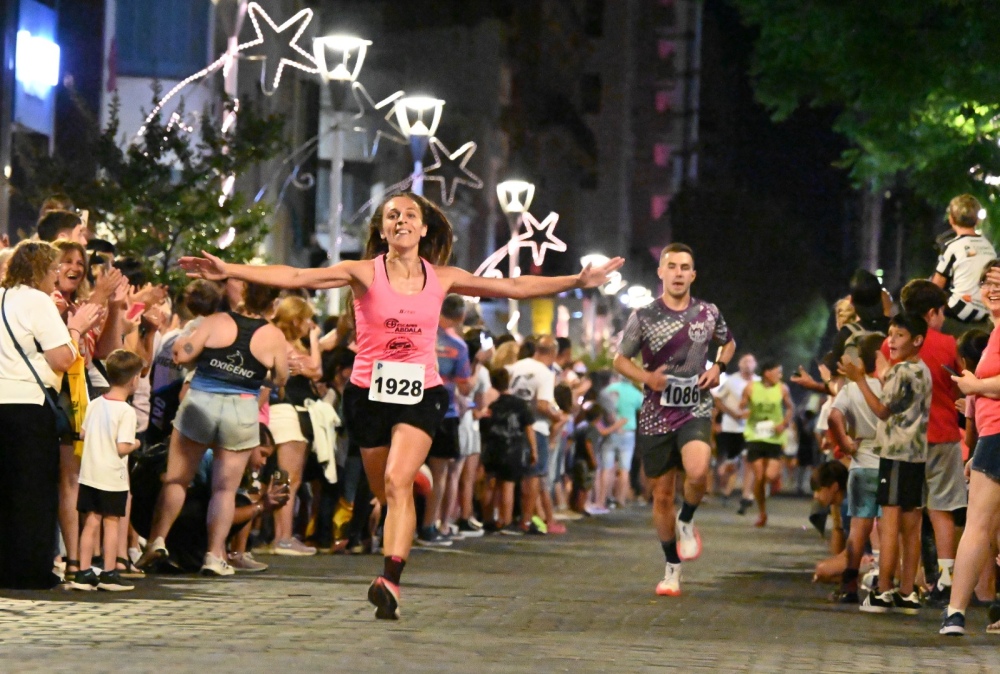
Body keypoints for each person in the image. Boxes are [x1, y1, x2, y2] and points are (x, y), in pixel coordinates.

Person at [178, 191, 623, 619]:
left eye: (409, 215)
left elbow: (512, 286)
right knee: (383, 492)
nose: (401, 221)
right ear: (384, 230)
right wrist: (228, 268)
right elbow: (296, 277)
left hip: (420, 392)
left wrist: (576, 281)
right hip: (367, 394)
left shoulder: (442, 276)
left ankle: (390, 579)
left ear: (423, 228)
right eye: (392, 216)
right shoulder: (363, 272)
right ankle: (413, 486)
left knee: (396, 481)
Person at [135, 283, 288, 576]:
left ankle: (157, 541)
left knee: (177, 479)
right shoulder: (273, 335)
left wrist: (186, 348)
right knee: (225, 489)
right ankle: (214, 555)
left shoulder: (216, 321)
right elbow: (280, 377)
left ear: (242, 295)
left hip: (201, 400)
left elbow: (183, 353)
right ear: (273, 304)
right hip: (241, 406)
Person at [612, 243, 735, 597]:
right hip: (655, 411)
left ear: (693, 275)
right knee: (662, 495)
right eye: (672, 266)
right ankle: (671, 568)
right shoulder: (644, 315)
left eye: (685, 267)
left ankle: (687, 519)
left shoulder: (708, 313)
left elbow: (728, 344)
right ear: (661, 273)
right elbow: (620, 359)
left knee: (698, 471)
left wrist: (718, 366)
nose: (679, 273)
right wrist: (646, 378)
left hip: (695, 404)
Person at [0, 241, 101, 589]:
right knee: (32, 492)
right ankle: (29, 570)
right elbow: (62, 358)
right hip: (29, 405)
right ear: (42, 270)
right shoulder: (37, 301)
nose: (58, 275)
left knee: (5, 490)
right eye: (54, 268)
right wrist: (77, 328)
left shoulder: (2, 297)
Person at [841, 312, 932, 615]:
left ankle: (883, 591)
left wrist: (858, 380)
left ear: (917, 340)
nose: (891, 341)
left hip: (893, 454)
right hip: (917, 455)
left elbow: (881, 409)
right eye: (890, 334)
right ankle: (908, 592)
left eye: (899, 335)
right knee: (912, 525)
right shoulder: (922, 370)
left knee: (889, 525)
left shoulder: (900, 372)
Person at [896, 280, 965, 607]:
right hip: (944, 435)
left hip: (906, 440)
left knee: (909, 508)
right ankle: (947, 577)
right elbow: (957, 386)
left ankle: (908, 581)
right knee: (943, 508)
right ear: (932, 312)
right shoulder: (948, 343)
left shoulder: (893, 343)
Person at [941, 259, 1000, 635]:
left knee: (978, 526)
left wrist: (976, 387)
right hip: (991, 439)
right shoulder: (994, 333)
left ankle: (956, 611)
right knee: (983, 528)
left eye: (999, 282)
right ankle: (957, 613)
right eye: (986, 282)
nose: (992, 288)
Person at [69, 350, 144, 592]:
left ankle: (83, 571)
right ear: (133, 380)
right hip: (113, 478)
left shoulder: (95, 403)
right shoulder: (126, 411)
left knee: (91, 522)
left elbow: (82, 433)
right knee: (111, 523)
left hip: (90, 474)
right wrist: (137, 444)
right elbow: (123, 447)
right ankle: (109, 572)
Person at [827, 333, 886, 603]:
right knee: (889, 526)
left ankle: (849, 584)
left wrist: (846, 444)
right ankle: (885, 583)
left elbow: (834, 415)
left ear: (861, 361)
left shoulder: (851, 389)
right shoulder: (889, 387)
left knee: (859, 527)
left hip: (862, 463)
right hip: (890, 462)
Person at [268, 295, 323, 556]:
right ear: (297, 319)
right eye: (308, 319)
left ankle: (282, 535)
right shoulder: (282, 341)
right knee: (290, 477)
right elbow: (315, 369)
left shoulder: (280, 340)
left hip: (284, 411)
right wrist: (314, 342)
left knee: (284, 477)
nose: (311, 324)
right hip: (286, 412)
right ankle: (283, 537)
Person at [418, 294, 472, 546]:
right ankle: (428, 527)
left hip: (412, 409)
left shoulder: (419, 334)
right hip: (445, 411)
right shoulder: (458, 346)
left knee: (404, 470)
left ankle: (392, 525)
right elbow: (465, 386)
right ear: (460, 316)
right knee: (439, 475)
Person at [509, 335, 569, 535]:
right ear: (553, 353)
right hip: (536, 428)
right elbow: (542, 405)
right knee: (533, 475)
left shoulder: (516, 366)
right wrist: (556, 416)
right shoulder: (544, 373)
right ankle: (525, 520)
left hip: (511, 426)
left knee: (507, 477)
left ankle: (504, 518)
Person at [481, 367, 537, 532]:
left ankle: (488, 519)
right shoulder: (520, 404)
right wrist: (534, 450)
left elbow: (485, 428)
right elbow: (528, 428)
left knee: (490, 484)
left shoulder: (492, 406)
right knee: (508, 485)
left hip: (492, 448)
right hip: (513, 448)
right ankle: (505, 520)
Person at [931, 194, 996, 335]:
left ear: (951, 219)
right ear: (977, 220)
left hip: (959, 312)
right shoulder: (989, 247)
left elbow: (936, 286)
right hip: (986, 311)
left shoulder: (952, 246)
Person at [739, 359, 793, 527]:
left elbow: (790, 407)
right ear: (767, 373)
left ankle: (774, 480)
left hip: (774, 437)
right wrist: (743, 405)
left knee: (770, 475)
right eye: (778, 372)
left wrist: (783, 424)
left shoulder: (782, 388)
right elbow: (742, 405)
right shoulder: (751, 387)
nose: (780, 375)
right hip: (755, 435)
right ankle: (762, 512)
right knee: (760, 477)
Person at [712, 354, 757, 508]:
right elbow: (717, 399)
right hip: (731, 427)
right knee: (731, 463)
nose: (748, 364)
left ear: (755, 364)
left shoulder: (759, 382)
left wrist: (752, 414)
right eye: (745, 361)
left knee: (748, 459)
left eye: (751, 361)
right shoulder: (731, 381)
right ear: (739, 364)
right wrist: (731, 413)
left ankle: (746, 494)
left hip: (751, 428)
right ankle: (724, 488)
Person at [599, 372, 644, 507]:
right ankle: (620, 499)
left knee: (606, 467)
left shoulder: (609, 389)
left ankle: (602, 499)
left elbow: (600, 402)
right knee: (624, 468)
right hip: (628, 431)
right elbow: (643, 408)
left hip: (610, 430)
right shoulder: (636, 393)